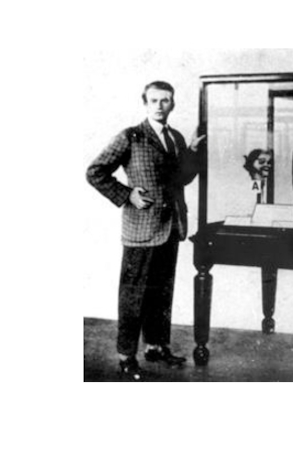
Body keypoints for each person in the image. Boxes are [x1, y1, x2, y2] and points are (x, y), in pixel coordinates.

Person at [86, 81, 204, 381]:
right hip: (141, 228)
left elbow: (182, 178)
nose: (160, 106)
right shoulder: (131, 136)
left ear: (172, 104)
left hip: (171, 226)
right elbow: (95, 172)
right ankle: (126, 357)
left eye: (165, 100)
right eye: (154, 100)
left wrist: (191, 151)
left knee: (161, 292)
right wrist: (127, 195)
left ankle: (155, 346)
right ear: (145, 103)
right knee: (133, 295)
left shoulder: (175, 137)